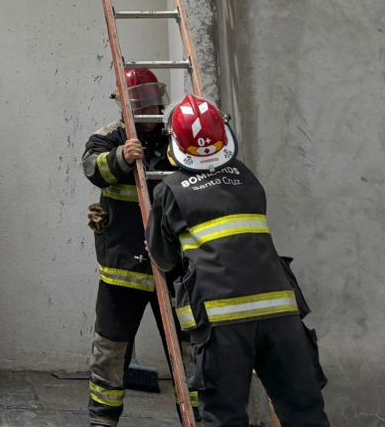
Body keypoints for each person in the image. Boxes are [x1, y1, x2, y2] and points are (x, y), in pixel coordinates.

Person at [147, 94, 329, 427]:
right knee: (304, 411)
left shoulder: (169, 190)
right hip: (281, 314)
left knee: (225, 416)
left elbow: (163, 257)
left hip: (222, 321)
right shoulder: (247, 179)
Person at [81, 67, 177, 425]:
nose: (150, 113)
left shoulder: (174, 138)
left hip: (173, 266)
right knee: (110, 348)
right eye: (143, 106)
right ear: (129, 108)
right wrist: (121, 156)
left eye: (154, 104)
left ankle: (199, 415)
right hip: (123, 267)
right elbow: (93, 169)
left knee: (187, 349)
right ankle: (103, 420)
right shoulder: (109, 136)